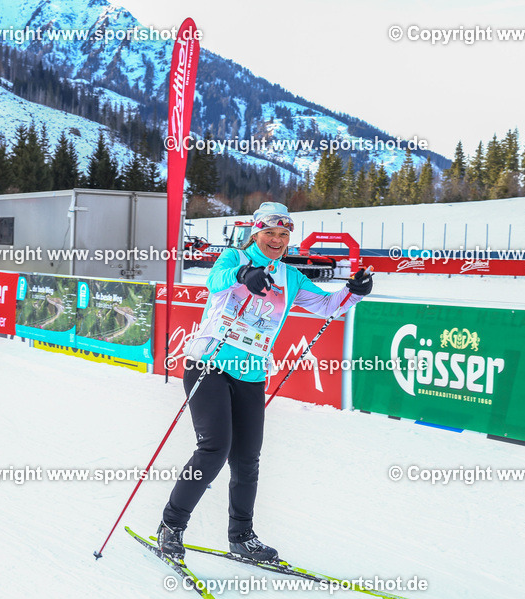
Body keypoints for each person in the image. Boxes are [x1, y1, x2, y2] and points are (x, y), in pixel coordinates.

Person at [158, 202, 372, 562]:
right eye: (270, 232)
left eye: (284, 234)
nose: (277, 239)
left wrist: (355, 291)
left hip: (253, 373)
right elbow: (214, 282)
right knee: (214, 449)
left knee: (247, 460)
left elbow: (326, 306)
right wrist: (244, 276)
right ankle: (171, 526)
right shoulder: (233, 258)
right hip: (209, 364)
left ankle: (242, 536)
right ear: (256, 233)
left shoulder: (291, 277)